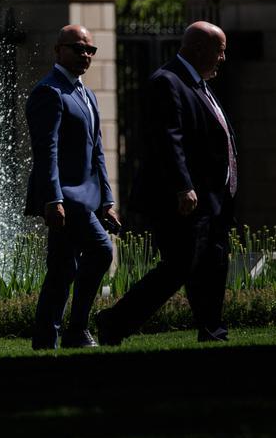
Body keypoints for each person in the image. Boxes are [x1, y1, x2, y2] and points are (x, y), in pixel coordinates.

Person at [97, 21, 237, 344]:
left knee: (213, 264)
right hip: (182, 200)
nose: (223, 58)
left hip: (212, 199)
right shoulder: (167, 81)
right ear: (199, 48)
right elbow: (167, 140)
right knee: (180, 267)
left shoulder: (198, 84)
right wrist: (182, 186)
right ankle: (114, 321)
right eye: (220, 51)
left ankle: (212, 330)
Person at [25, 25, 120, 350]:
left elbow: (97, 152)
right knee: (101, 250)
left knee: (62, 268)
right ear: (58, 50)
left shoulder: (87, 95)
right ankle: (77, 329)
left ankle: (46, 339)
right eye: (78, 48)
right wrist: (53, 199)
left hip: (86, 197)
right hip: (65, 198)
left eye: (90, 50)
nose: (85, 55)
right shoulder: (48, 92)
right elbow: (46, 151)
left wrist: (106, 200)